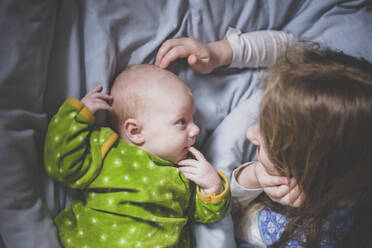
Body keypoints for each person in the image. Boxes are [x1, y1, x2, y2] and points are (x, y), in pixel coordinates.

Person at [156, 29, 372, 247]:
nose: (250, 133)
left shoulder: (285, 230)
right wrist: (219, 52)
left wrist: (252, 177)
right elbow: (290, 47)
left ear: (295, 175)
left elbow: (233, 218)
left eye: (265, 138)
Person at [43, 64, 231, 248]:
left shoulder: (185, 171)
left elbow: (206, 215)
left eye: (193, 119)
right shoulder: (108, 149)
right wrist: (78, 115)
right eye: (182, 121)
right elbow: (60, 164)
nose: (196, 129)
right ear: (135, 131)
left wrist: (212, 186)